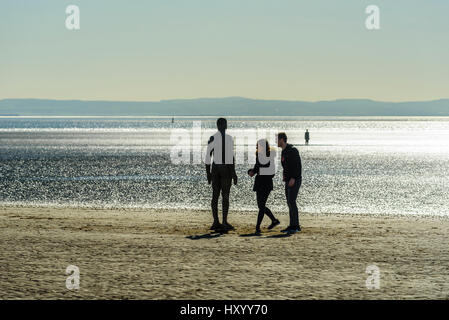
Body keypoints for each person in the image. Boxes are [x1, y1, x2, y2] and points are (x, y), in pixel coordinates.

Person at [205, 118, 238, 231]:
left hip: (216, 168)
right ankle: (222, 221)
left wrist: (208, 173)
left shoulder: (213, 138)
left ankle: (217, 221)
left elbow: (208, 157)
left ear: (218, 126)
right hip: (224, 169)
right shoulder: (228, 138)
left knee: (216, 196)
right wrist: (233, 173)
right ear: (225, 126)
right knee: (225, 195)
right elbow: (230, 157)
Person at [248, 139, 280, 235]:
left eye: (258, 146)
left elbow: (272, 172)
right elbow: (256, 168)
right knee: (260, 205)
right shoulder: (259, 156)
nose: (257, 147)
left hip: (266, 184)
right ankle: (274, 220)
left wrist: (259, 171)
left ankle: (257, 227)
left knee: (261, 206)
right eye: (257, 146)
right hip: (259, 183)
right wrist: (251, 171)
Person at [277, 132, 302, 233]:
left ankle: (295, 226)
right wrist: (285, 175)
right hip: (288, 180)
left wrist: (293, 178)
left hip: (295, 180)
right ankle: (292, 225)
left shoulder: (292, 150)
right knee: (289, 202)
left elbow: (298, 166)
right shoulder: (283, 151)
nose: (276, 142)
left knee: (292, 201)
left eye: (277, 139)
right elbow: (286, 166)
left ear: (282, 140)